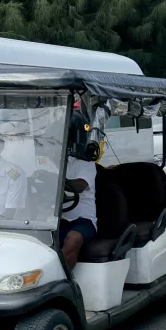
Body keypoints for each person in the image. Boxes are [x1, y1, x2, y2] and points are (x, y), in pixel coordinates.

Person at [59, 112, 98, 270]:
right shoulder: (56, 160)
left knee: (73, 239)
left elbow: (80, 185)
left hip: (83, 220)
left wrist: (57, 181)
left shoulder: (86, 163)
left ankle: (63, 279)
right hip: (58, 218)